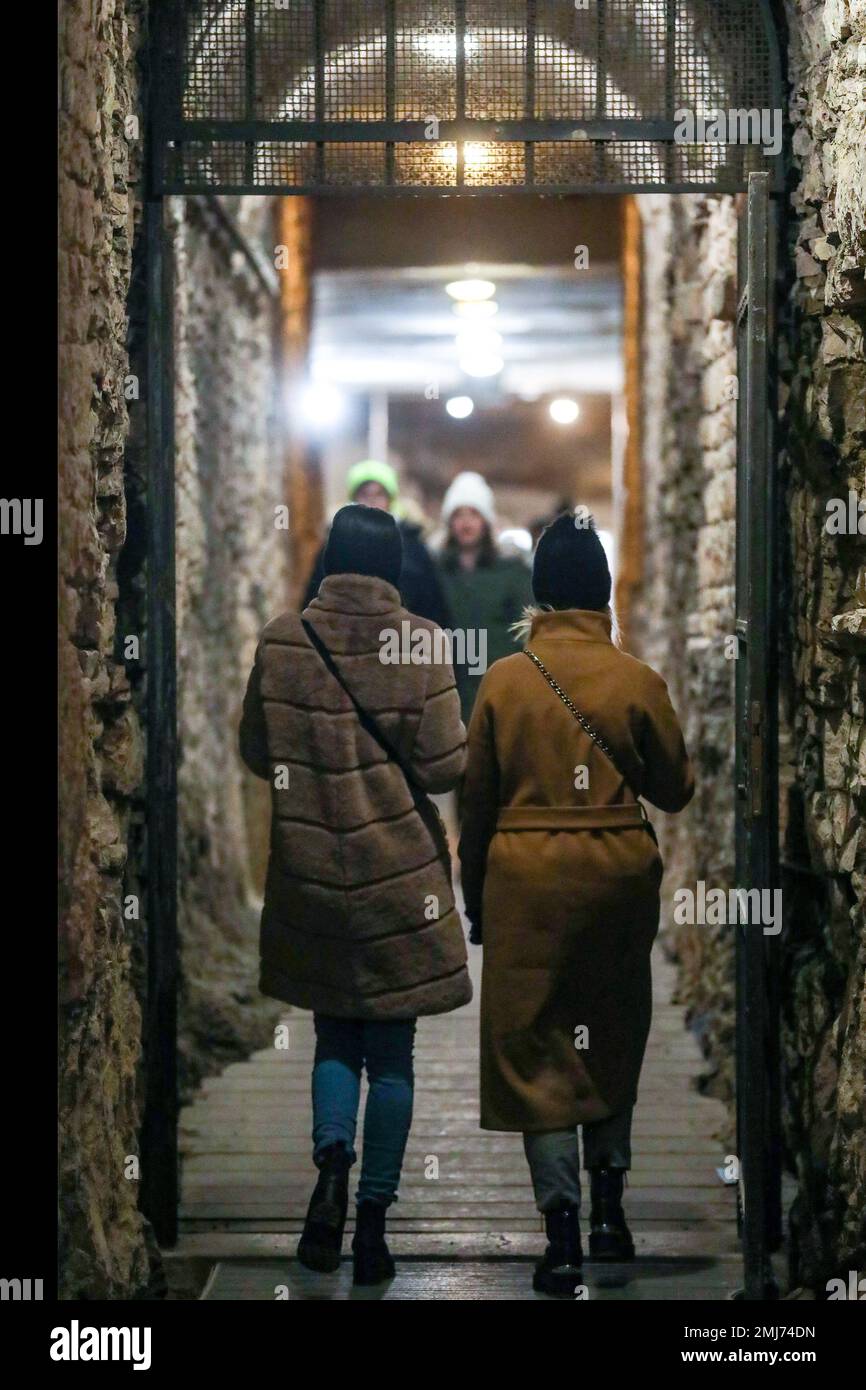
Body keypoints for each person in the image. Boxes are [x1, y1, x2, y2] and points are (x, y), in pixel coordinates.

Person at [458, 511, 695, 1297]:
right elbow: (675, 788)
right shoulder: (636, 680)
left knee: (534, 1049)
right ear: (601, 592)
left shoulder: (503, 681)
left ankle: (560, 1237)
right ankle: (611, 1215)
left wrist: (476, 901)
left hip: (524, 879)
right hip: (614, 877)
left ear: (540, 593)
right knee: (611, 1030)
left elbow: (477, 805)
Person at [240, 504, 471, 1286]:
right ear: (396, 566)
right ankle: (373, 1220)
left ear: (331, 557)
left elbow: (255, 747)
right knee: (393, 1058)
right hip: (399, 881)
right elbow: (443, 767)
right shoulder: (422, 643)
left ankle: (329, 1174)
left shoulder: (282, 638)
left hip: (309, 873)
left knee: (332, 1039)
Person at [434, 471, 534, 725]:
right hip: (448, 689)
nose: (466, 523)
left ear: (486, 520)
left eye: (474, 513)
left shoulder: (513, 573)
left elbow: (528, 632)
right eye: (459, 514)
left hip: (499, 693)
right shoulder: (435, 572)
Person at [302, 459, 450, 628]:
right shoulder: (333, 547)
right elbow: (313, 605)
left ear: (390, 500)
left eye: (379, 494)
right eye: (365, 494)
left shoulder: (413, 548)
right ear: (354, 499)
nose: (372, 501)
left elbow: (432, 606)